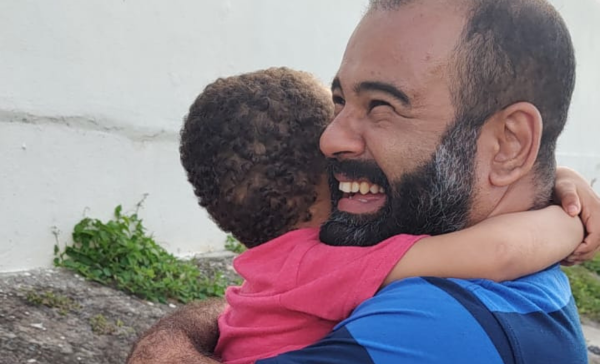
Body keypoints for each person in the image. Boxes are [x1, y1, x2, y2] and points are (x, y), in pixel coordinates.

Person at [128, 0, 600, 363]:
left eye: (381, 105)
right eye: (340, 100)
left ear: (510, 145)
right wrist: (565, 219)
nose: (329, 139)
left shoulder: (432, 330)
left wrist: (168, 345)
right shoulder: (492, 289)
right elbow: (501, 250)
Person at [176, 67, 581, 364]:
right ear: (337, 171)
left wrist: (559, 176)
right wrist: (568, 219)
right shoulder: (331, 263)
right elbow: (499, 253)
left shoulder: (273, 268)